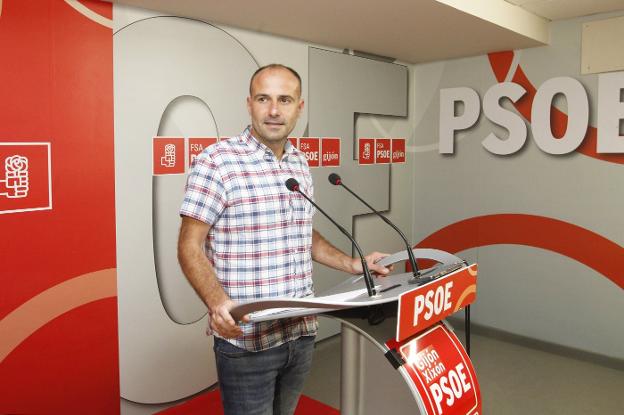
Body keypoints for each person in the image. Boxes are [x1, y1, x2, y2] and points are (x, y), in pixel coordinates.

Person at [177, 63, 391, 415]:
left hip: (301, 333)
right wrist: (217, 303)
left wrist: (352, 264)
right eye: (264, 99)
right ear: (249, 104)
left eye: (284, 100)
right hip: (248, 341)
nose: (274, 111)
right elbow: (189, 245)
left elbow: (302, 232)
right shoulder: (217, 162)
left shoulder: (299, 163)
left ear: (299, 108)